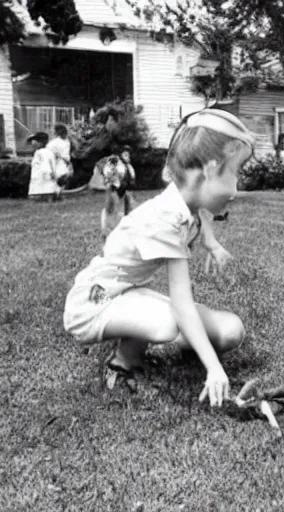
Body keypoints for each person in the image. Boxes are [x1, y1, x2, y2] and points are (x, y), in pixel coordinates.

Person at [63, 109, 255, 408]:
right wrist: (214, 369)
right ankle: (123, 361)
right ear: (208, 169)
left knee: (231, 331)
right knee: (170, 322)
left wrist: (211, 243)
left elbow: (202, 213)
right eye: (235, 172)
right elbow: (181, 303)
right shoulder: (164, 219)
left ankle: (181, 343)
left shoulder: (185, 203)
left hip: (130, 293)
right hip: (93, 303)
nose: (235, 187)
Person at [95, 146, 137, 231]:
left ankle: (125, 225)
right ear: (121, 155)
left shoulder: (128, 166)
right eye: (125, 155)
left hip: (124, 189)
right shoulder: (116, 163)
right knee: (111, 208)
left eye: (128, 155)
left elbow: (131, 177)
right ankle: (109, 227)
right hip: (114, 189)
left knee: (127, 207)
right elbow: (108, 173)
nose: (128, 157)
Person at [27, 132, 62, 201]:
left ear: (40, 142)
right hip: (42, 181)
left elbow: (46, 166)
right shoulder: (45, 151)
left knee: (40, 192)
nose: (32, 143)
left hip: (43, 181)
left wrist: (49, 174)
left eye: (34, 141)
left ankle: (47, 197)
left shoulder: (42, 153)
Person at [47, 124, 72, 191]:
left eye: (53, 130)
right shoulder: (67, 141)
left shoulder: (53, 143)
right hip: (65, 163)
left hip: (58, 163)